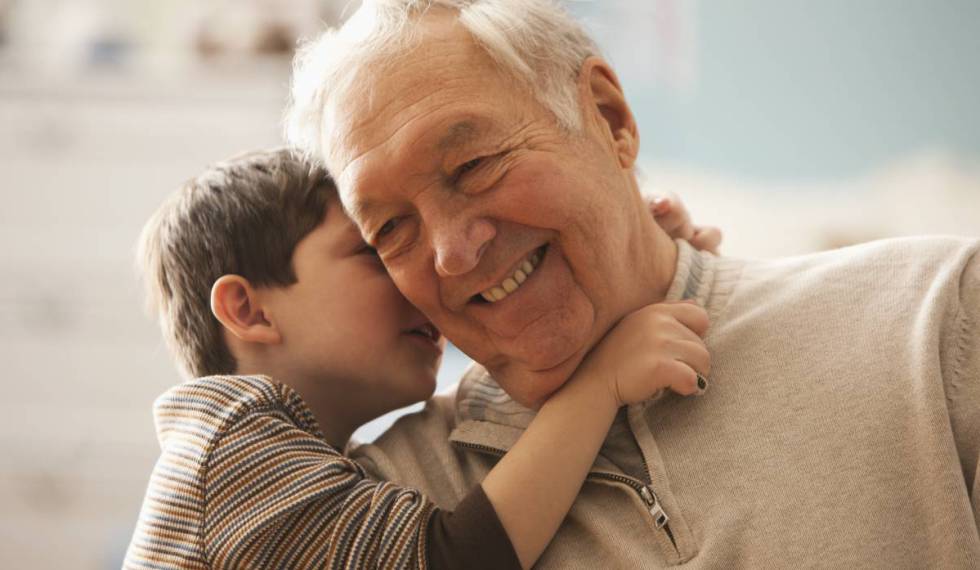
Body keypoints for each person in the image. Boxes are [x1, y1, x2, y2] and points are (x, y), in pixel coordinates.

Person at [284, 1, 980, 567]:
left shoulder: (936, 321)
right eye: (391, 230)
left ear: (610, 120)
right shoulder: (378, 506)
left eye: (473, 166)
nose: (453, 253)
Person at [122, 148, 718, 569]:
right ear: (248, 311)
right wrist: (601, 382)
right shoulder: (229, 453)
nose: (423, 274)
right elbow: (451, 558)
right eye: (375, 250)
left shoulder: (287, 453)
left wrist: (630, 270)